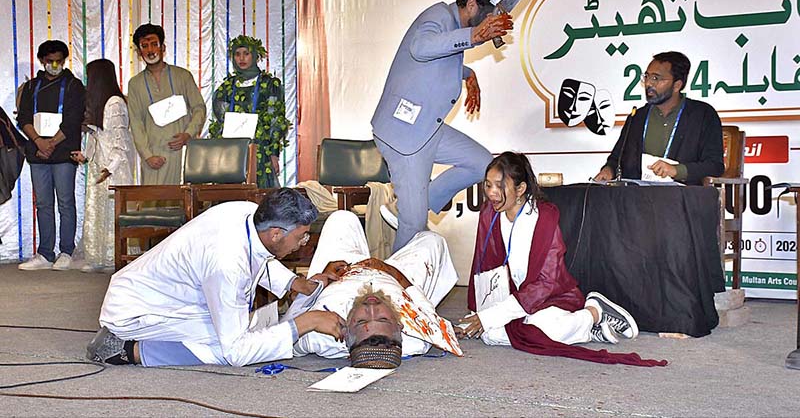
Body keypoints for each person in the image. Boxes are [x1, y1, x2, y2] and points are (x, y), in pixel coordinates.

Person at [86, 188, 345, 367]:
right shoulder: (227, 263)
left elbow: (258, 255)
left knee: (249, 331)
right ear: (276, 233)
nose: (303, 243)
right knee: (230, 345)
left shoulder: (248, 213)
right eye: (302, 236)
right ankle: (126, 350)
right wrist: (305, 323)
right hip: (133, 311)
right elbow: (236, 352)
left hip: (158, 293)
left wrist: (296, 283)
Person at [459, 152, 667, 366]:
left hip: (551, 297)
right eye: (488, 185)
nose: (492, 193)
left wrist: (491, 317)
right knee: (491, 335)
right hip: (513, 299)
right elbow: (482, 265)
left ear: (520, 189)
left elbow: (547, 283)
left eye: (499, 186)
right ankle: (587, 329)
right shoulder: (488, 214)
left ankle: (593, 313)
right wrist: (480, 310)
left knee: (540, 329)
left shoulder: (544, 218)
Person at [371, 0, 513, 252]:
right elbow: (421, 48)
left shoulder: (449, 27)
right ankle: (397, 292)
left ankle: (413, 207)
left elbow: (434, 63)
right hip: (404, 134)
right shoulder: (437, 15)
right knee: (412, 227)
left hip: (427, 128)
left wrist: (468, 73)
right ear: (471, 5)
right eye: (485, 20)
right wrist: (473, 35)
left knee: (482, 163)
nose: (486, 30)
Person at [291, 210, 461, 368]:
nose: (371, 308)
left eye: (362, 321)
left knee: (342, 217)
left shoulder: (320, 338)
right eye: (383, 319)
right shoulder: (417, 338)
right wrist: (390, 270)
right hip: (395, 278)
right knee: (433, 240)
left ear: (347, 330)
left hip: (341, 270)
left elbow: (289, 324)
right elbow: (430, 314)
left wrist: (319, 281)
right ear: (400, 326)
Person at [594, 51, 724, 185]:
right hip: (638, 198)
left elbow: (714, 166)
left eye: (656, 78)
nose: (649, 84)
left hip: (683, 198)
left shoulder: (703, 115)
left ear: (677, 85)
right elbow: (617, 159)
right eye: (647, 77)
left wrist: (676, 170)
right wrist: (608, 171)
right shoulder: (637, 117)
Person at [16, 40, 85, 271]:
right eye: (49, 61)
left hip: (64, 152)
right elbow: (23, 118)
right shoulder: (31, 86)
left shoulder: (74, 85)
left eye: (58, 60)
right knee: (43, 203)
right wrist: (38, 141)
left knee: (65, 202)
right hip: (37, 152)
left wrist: (52, 143)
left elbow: (74, 119)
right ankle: (45, 252)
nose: (54, 65)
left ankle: (66, 251)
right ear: (42, 61)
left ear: (64, 60)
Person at [70, 59, 136, 272]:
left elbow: (121, 141)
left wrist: (111, 168)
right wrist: (86, 156)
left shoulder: (115, 103)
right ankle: (99, 257)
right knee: (97, 211)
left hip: (113, 168)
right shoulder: (99, 103)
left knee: (112, 211)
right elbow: (96, 136)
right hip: (100, 165)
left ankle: (113, 257)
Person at [127, 24, 206, 185]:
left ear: (163, 47)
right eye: (145, 46)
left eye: (154, 44)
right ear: (138, 52)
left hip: (182, 152)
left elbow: (199, 108)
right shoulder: (135, 84)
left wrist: (188, 134)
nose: (150, 50)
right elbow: (136, 122)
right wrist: (147, 155)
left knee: (184, 203)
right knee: (153, 205)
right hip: (154, 158)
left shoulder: (182, 76)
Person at [208, 35, 290, 188]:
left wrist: (273, 153)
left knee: (260, 196)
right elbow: (220, 119)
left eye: (246, 53)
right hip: (231, 152)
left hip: (260, 151)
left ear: (255, 55)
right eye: (237, 54)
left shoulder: (269, 84)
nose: (242, 58)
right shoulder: (227, 86)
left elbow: (275, 119)